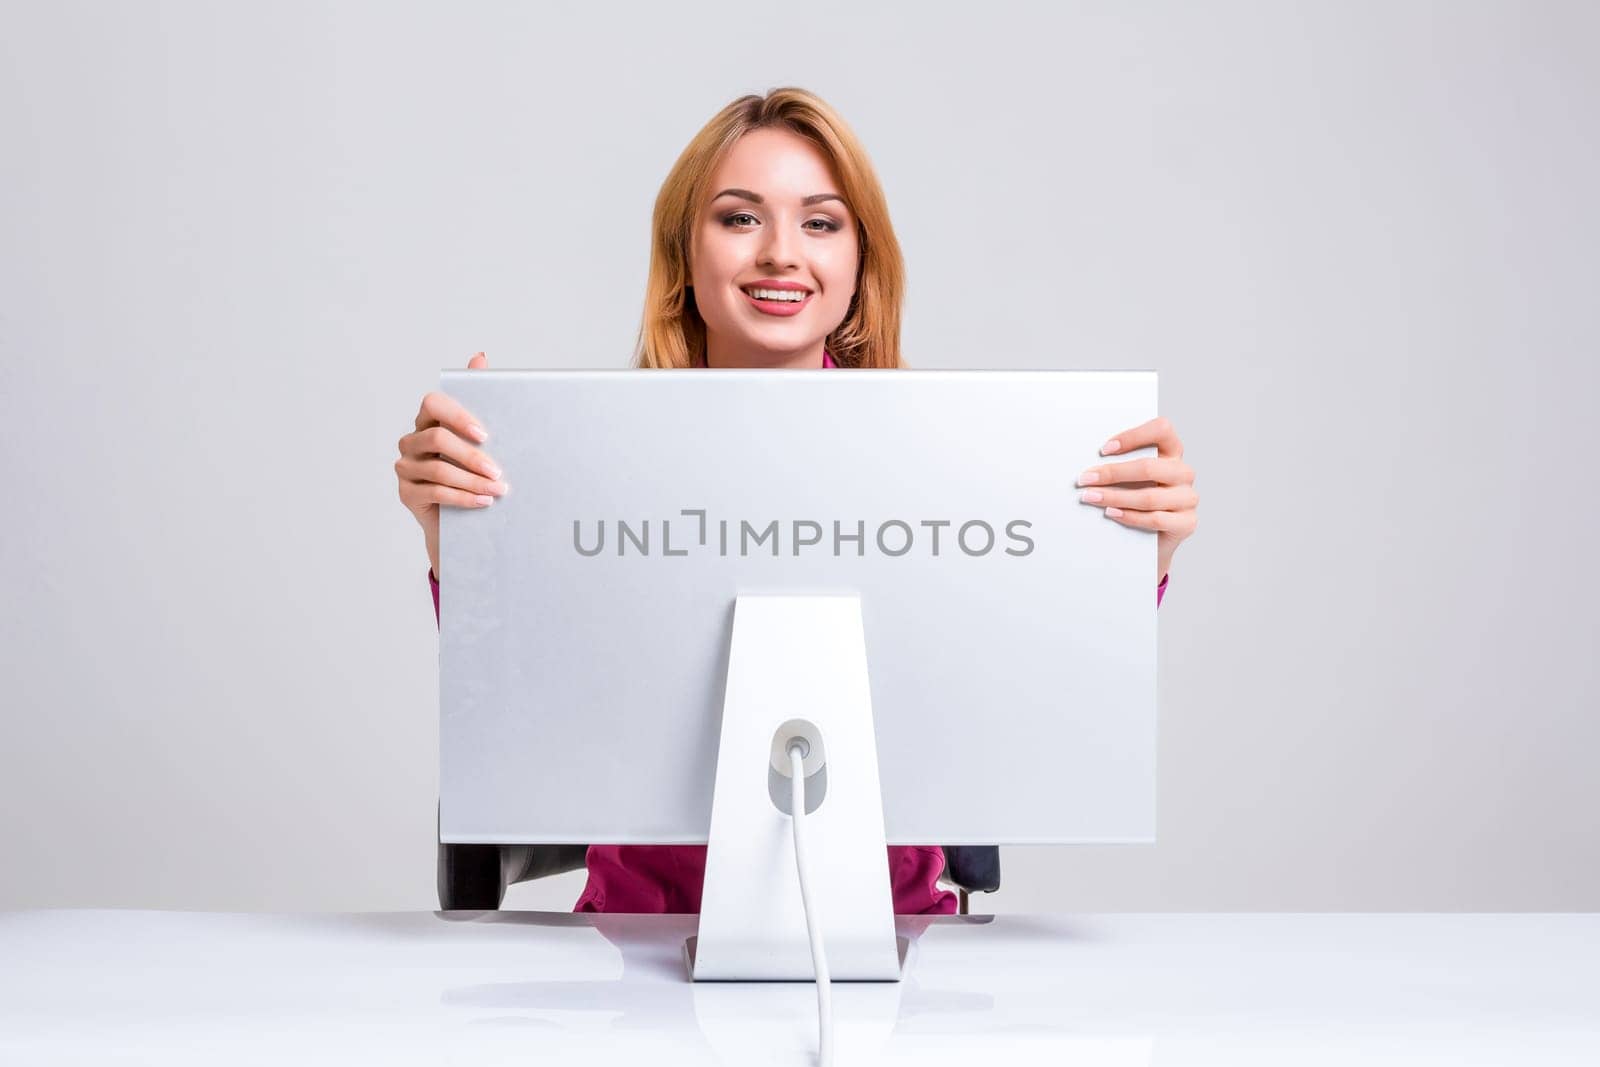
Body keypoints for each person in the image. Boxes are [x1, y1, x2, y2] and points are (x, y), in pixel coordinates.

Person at [394, 87, 1200, 914]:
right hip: (632, 946)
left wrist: (1136, 561)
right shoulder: (583, 459)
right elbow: (528, 707)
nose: (781, 252)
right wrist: (460, 541)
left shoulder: (951, 458)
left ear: (858, 263)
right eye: (740, 218)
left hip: (899, 941)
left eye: (820, 222)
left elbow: (1030, 689)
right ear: (684, 254)